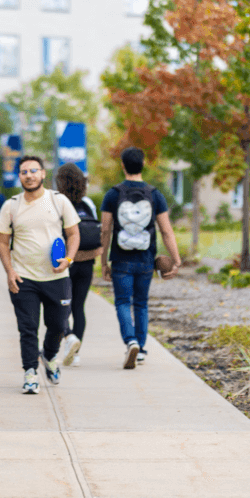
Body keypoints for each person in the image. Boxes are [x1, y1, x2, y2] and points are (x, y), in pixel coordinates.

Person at [0, 156, 80, 394]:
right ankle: (30, 373)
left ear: (43, 174)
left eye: (34, 170)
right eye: (24, 171)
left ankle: (50, 357)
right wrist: (10, 271)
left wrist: (69, 259)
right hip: (24, 278)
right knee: (28, 328)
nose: (29, 175)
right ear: (19, 176)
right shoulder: (11, 206)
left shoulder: (58, 201)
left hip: (57, 278)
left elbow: (73, 234)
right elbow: (3, 243)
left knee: (58, 325)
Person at [100, 147, 181, 369]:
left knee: (123, 302)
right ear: (143, 164)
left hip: (120, 259)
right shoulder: (155, 195)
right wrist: (176, 259)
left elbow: (105, 231)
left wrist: (103, 261)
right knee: (141, 304)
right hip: (146, 259)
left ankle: (130, 341)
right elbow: (166, 231)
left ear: (123, 166)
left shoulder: (113, 194)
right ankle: (142, 349)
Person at [55, 163, 102, 368]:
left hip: (65, 262)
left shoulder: (57, 202)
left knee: (61, 306)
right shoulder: (88, 203)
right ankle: (76, 353)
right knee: (78, 307)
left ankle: (69, 337)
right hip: (87, 262)